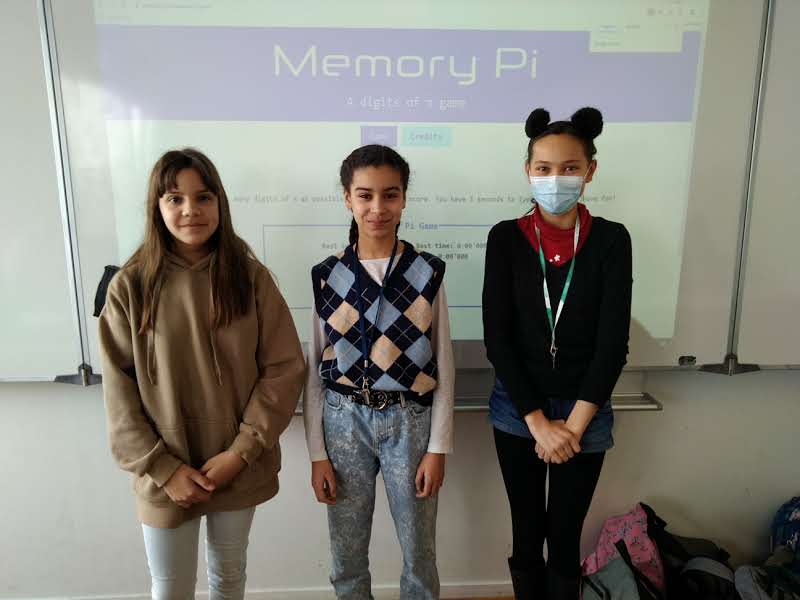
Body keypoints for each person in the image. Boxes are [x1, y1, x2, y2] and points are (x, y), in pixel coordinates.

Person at [98, 147, 305, 600]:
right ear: (157, 207)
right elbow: (118, 394)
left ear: (219, 203)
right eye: (175, 198)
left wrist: (241, 452)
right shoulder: (130, 286)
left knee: (229, 578)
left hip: (237, 465)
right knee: (170, 587)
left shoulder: (251, 278)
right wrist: (163, 468)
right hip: (163, 471)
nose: (190, 209)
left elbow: (284, 369)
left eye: (203, 197)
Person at [482, 108, 633, 599]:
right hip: (518, 409)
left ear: (590, 170)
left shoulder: (612, 239)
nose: (555, 179)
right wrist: (538, 422)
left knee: (565, 537)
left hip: (585, 409)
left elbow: (612, 345)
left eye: (569, 168)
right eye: (543, 168)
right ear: (528, 170)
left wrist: (573, 426)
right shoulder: (505, 238)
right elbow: (497, 338)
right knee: (527, 534)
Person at [303, 144, 455, 599]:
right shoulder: (328, 275)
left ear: (404, 198)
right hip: (344, 421)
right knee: (347, 553)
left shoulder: (426, 272)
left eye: (390, 195)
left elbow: (444, 363)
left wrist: (438, 448)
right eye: (365, 195)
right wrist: (317, 454)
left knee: (419, 552)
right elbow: (314, 370)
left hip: (409, 421)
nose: (377, 207)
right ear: (347, 199)